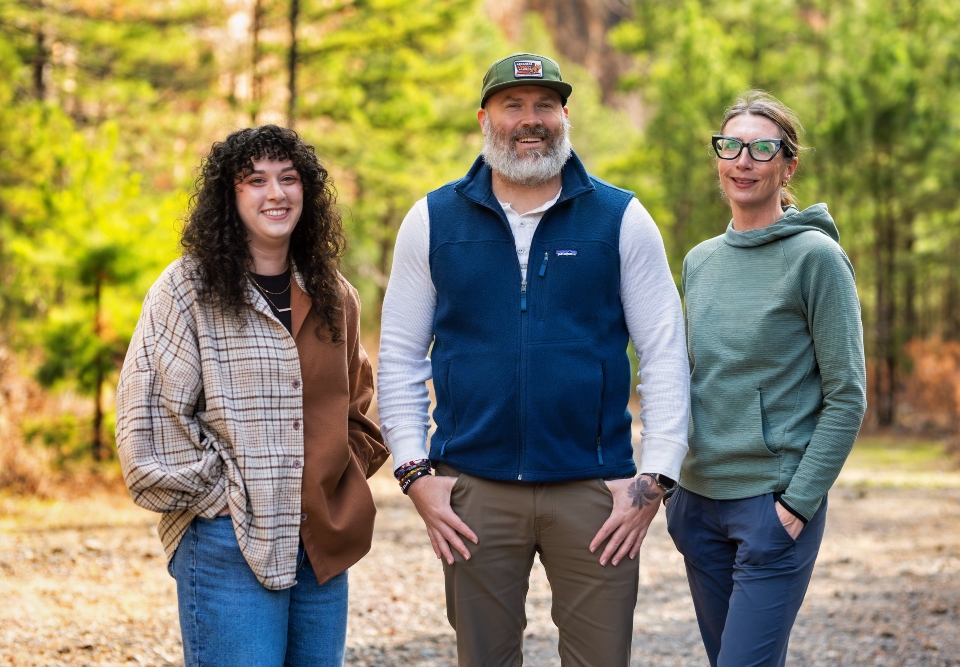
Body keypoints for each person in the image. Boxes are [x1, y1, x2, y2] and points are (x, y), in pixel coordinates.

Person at [377, 53, 690, 667]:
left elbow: (664, 353)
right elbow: (400, 360)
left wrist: (654, 479)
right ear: (484, 118)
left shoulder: (621, 218)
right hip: (473, 491)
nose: (530, 120)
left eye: (545, 105)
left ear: (565, 116)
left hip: (595, 490)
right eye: (512, 105)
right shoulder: (432, 220)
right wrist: (415, 475)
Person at [115, 125, 388, 667]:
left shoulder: (335, 295)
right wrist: (225, 500)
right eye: (256, 180)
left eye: (289, 178)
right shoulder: (186, 290)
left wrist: (333, 483)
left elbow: (357, 412)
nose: (276, 193)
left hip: (320, 544)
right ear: (230, 195)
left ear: (307, 191)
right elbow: (148, 422)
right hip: (227, 542)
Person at [669, 90, 866, 667]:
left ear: (788, 166)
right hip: (698, 503)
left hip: (772, 504)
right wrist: (673, 490)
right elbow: (687, 375)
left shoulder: (816, 258)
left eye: (761, 148)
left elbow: (847, 395)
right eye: (730, 146)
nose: (743, 161)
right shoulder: (700, 260)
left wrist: (798, 504)